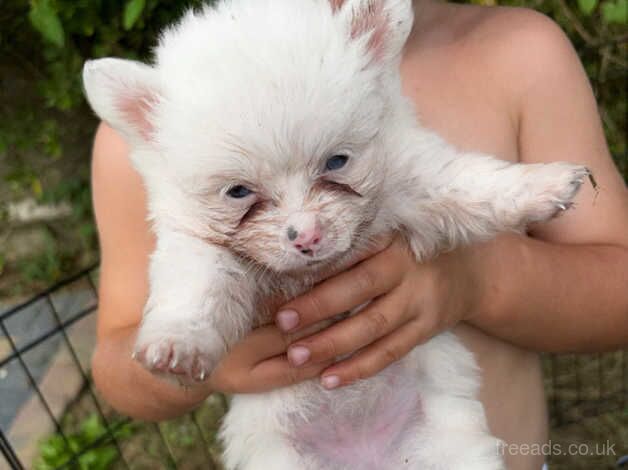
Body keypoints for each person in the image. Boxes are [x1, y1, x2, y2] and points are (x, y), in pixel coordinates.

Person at [89, 1, 628, 469]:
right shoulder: (165, 124)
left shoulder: (518, 53)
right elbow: (126, 353)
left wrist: (473, 277)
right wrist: (199, 342)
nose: (306, 229)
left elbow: (441, 183)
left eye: (337, 163)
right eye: (240, 194)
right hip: (291, 446)